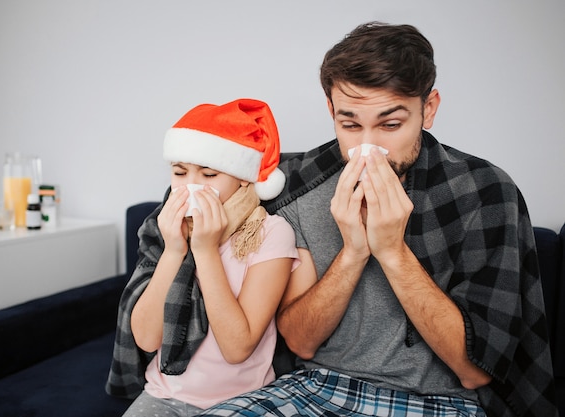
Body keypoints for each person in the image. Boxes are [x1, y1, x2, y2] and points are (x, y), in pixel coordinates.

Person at [197, 22, 558, 417]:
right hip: (313, 386)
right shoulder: (297, 187)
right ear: (331, 111)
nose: (367, 147)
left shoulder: (483, 192)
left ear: (429, 108)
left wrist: (391, 250)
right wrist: (353, 252)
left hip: (439, 402)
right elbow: (300, 344)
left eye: (390, 124)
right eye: (350, 125)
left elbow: (474, 371)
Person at [106, 98, 300, 416]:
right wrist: (174, 250)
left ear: (243, 178)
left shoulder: (271, 233)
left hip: (243, 399)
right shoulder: (162, 227)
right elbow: (145, 339)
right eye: (180, 172)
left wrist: (206, 251)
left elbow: (238, 348)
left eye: (209, 175)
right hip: (164, 394)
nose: (192, 187)